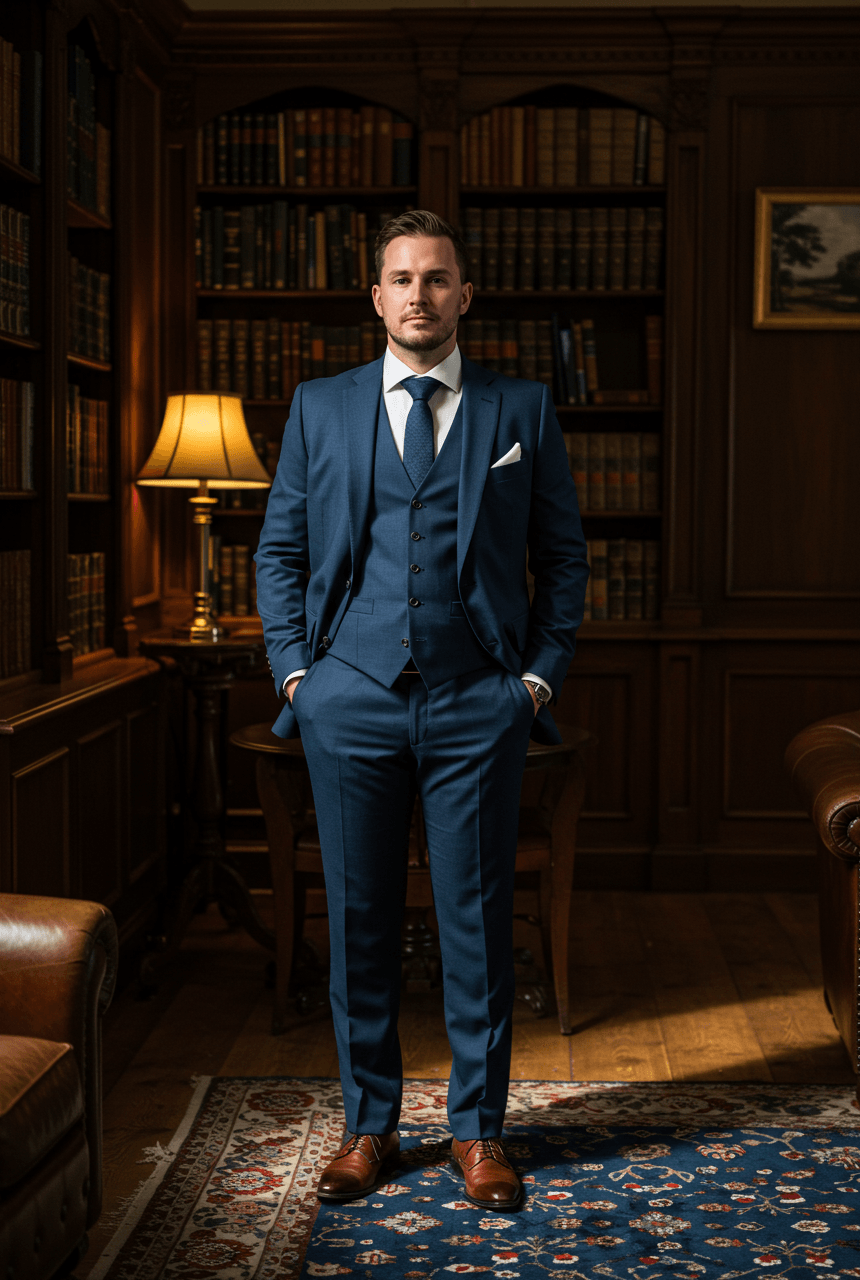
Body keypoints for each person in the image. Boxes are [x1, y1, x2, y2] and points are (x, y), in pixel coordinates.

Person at [255, 209, 588, 1210]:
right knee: (357, 918)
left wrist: (531, 681)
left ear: (463, 295)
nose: (417, 294)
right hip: (346, 698)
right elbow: (280, 552)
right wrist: (297, 680)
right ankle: (368, 1123)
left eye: (436, 278)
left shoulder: (519, 407)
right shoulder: (321, 405)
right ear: (375, 296)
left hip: (474, 700)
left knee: (474, 920)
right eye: (399, 278)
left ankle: (477, 1130)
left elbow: (563, 558)